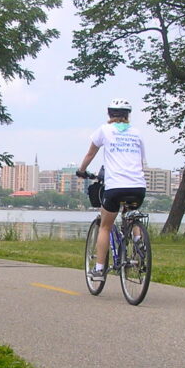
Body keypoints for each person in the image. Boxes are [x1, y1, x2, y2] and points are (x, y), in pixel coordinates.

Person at [76, 98, 147, 282]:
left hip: (115, 186)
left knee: (105, 226)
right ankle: (139, 242)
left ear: (109, 114)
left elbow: (90, 153)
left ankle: (99, 269)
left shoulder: (104, 130)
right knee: (130, 212)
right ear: (127, 115)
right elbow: (140, 162)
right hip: (138, 187)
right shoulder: (137, 134)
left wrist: (81, 171)